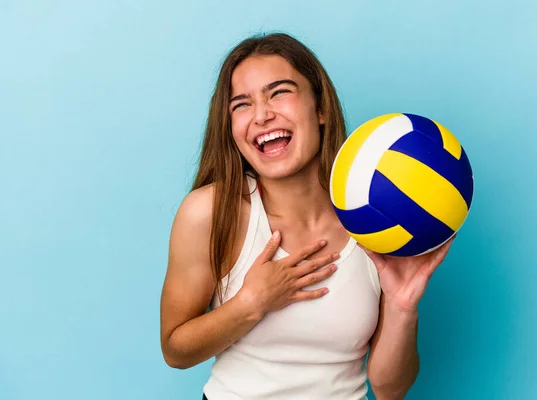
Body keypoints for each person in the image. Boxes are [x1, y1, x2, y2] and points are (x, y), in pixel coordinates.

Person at [159, 32, 454, 400]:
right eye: (241, 105)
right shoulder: (211, 212)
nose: (263, 115)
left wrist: (402, 306)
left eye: (279, 92)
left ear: (321, 108)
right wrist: (252, 303)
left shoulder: (379, 218)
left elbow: (390, 389)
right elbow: (175, 350)